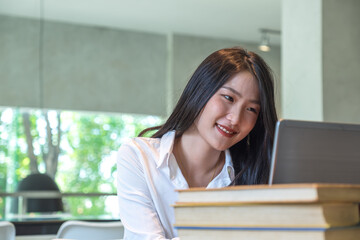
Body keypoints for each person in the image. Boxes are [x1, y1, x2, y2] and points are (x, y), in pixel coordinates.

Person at [116, 47, 278, 239]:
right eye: (228, 98)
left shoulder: (254, 174)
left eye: (251, 109)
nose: (235, 119)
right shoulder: (139, 156)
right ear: (201, 91)